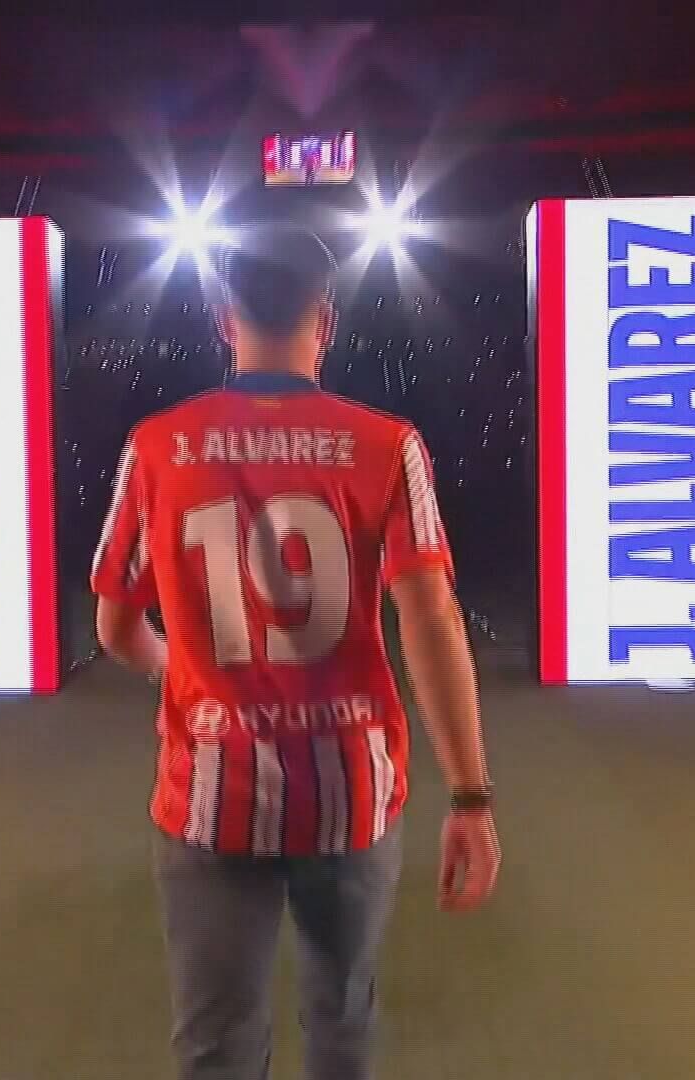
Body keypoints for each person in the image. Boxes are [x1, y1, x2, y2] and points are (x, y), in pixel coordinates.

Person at [91, 225, 498, 1080]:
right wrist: (470, 794)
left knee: (215, 1045)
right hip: (347, 793)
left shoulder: (158, 446)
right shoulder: (390, 446)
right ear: (328, 320)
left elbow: (115, 629)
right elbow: (432, 619)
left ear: (219, 318)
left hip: (210, 793)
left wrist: (183, 672)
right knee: (342, 1021)